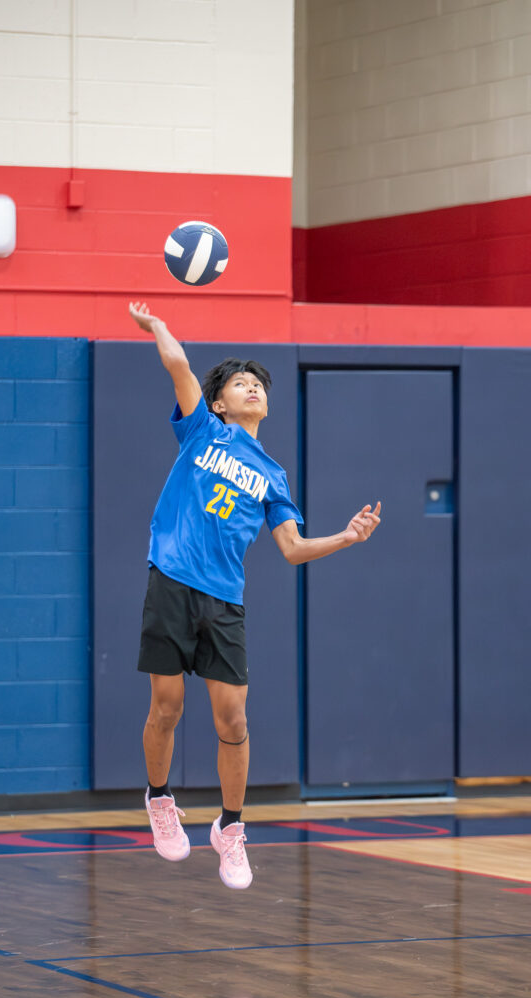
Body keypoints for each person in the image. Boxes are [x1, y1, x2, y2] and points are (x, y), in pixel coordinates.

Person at [129, 301, 381, 890]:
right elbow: (179, 367)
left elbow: (291, 548)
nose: (252, 388)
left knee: (234, 718)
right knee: (166, 707)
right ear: (219, 402)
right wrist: (159, 327)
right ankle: (160, 799)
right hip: (171, 581)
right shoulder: (202, 429)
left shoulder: (272, 474)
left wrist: (346, 537)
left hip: (224, 601)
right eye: (240, 383)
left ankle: (231, 827)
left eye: (258, 384)